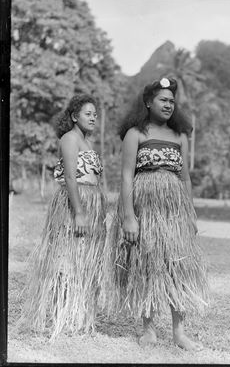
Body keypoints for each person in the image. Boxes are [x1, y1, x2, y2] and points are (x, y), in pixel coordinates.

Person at [103, 78, 209, 351]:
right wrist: (129, 217)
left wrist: (191, 214)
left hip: (174, 211)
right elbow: (126, 177)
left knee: (179, 266)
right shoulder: (135, 134)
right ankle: (148, 329)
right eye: (163, 100)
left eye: (172, 101)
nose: (168, 105)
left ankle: (179, 332)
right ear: (149, 102)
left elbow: (185, 179)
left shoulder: (180, 136)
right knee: (147, 264)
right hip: (145, 208)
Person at [19, 94, 106, 340]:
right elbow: (70, 177)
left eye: (94, 114)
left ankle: (78, 318)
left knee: (83, 262)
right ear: (74, 116)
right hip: (73, 205)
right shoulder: (69, 138)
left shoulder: (86, 141)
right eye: (88, 113)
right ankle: (61, 316)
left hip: (91, 204)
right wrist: (79, 212)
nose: (93, 117)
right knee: (65, 261)